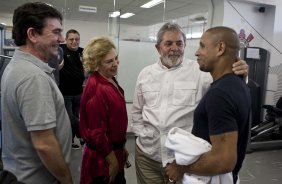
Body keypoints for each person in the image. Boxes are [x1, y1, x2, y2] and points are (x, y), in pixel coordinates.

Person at [131, 22, 249, 184]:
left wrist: (240, 72)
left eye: (179, 43)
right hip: (148, 156)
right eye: (168, 43)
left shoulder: (201, 72)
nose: (174, 48)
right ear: (158, 47)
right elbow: (137, 111)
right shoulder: (145, 74)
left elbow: (226, 86)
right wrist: (141, 135)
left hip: (183, 159)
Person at [165, 26, 251, 184]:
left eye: (202, 46)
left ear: (220, 48)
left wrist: (181, 167)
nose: (197, 52)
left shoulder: (220, 94)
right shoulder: (238, 84)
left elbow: (223, 160)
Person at [1, 2, 73, 184]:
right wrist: (66, 179)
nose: (62, 38)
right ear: (32, 34)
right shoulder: (32, 77)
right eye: (56, 32)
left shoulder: (18, 66)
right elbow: (44, 144)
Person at [79, 37, 129, 184]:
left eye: (116, 58)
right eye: (109, 61)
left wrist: (121, 146)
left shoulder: (109, 79)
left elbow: (113, 122)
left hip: (113, 151)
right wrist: (112, 161)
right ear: (96, 64)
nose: (115, 64)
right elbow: (97, 132)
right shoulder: (97, 89)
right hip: (102, 161)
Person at [59, 29, 85, 149]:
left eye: (77, 39)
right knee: (69, 118)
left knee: (75, 118)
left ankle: (72, 141)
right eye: (71, 39)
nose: (74, 42)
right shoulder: (61, 50)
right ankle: (83, 134)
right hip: (65, 93)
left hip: (79, 93)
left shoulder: (83, 52)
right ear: (66, 39)